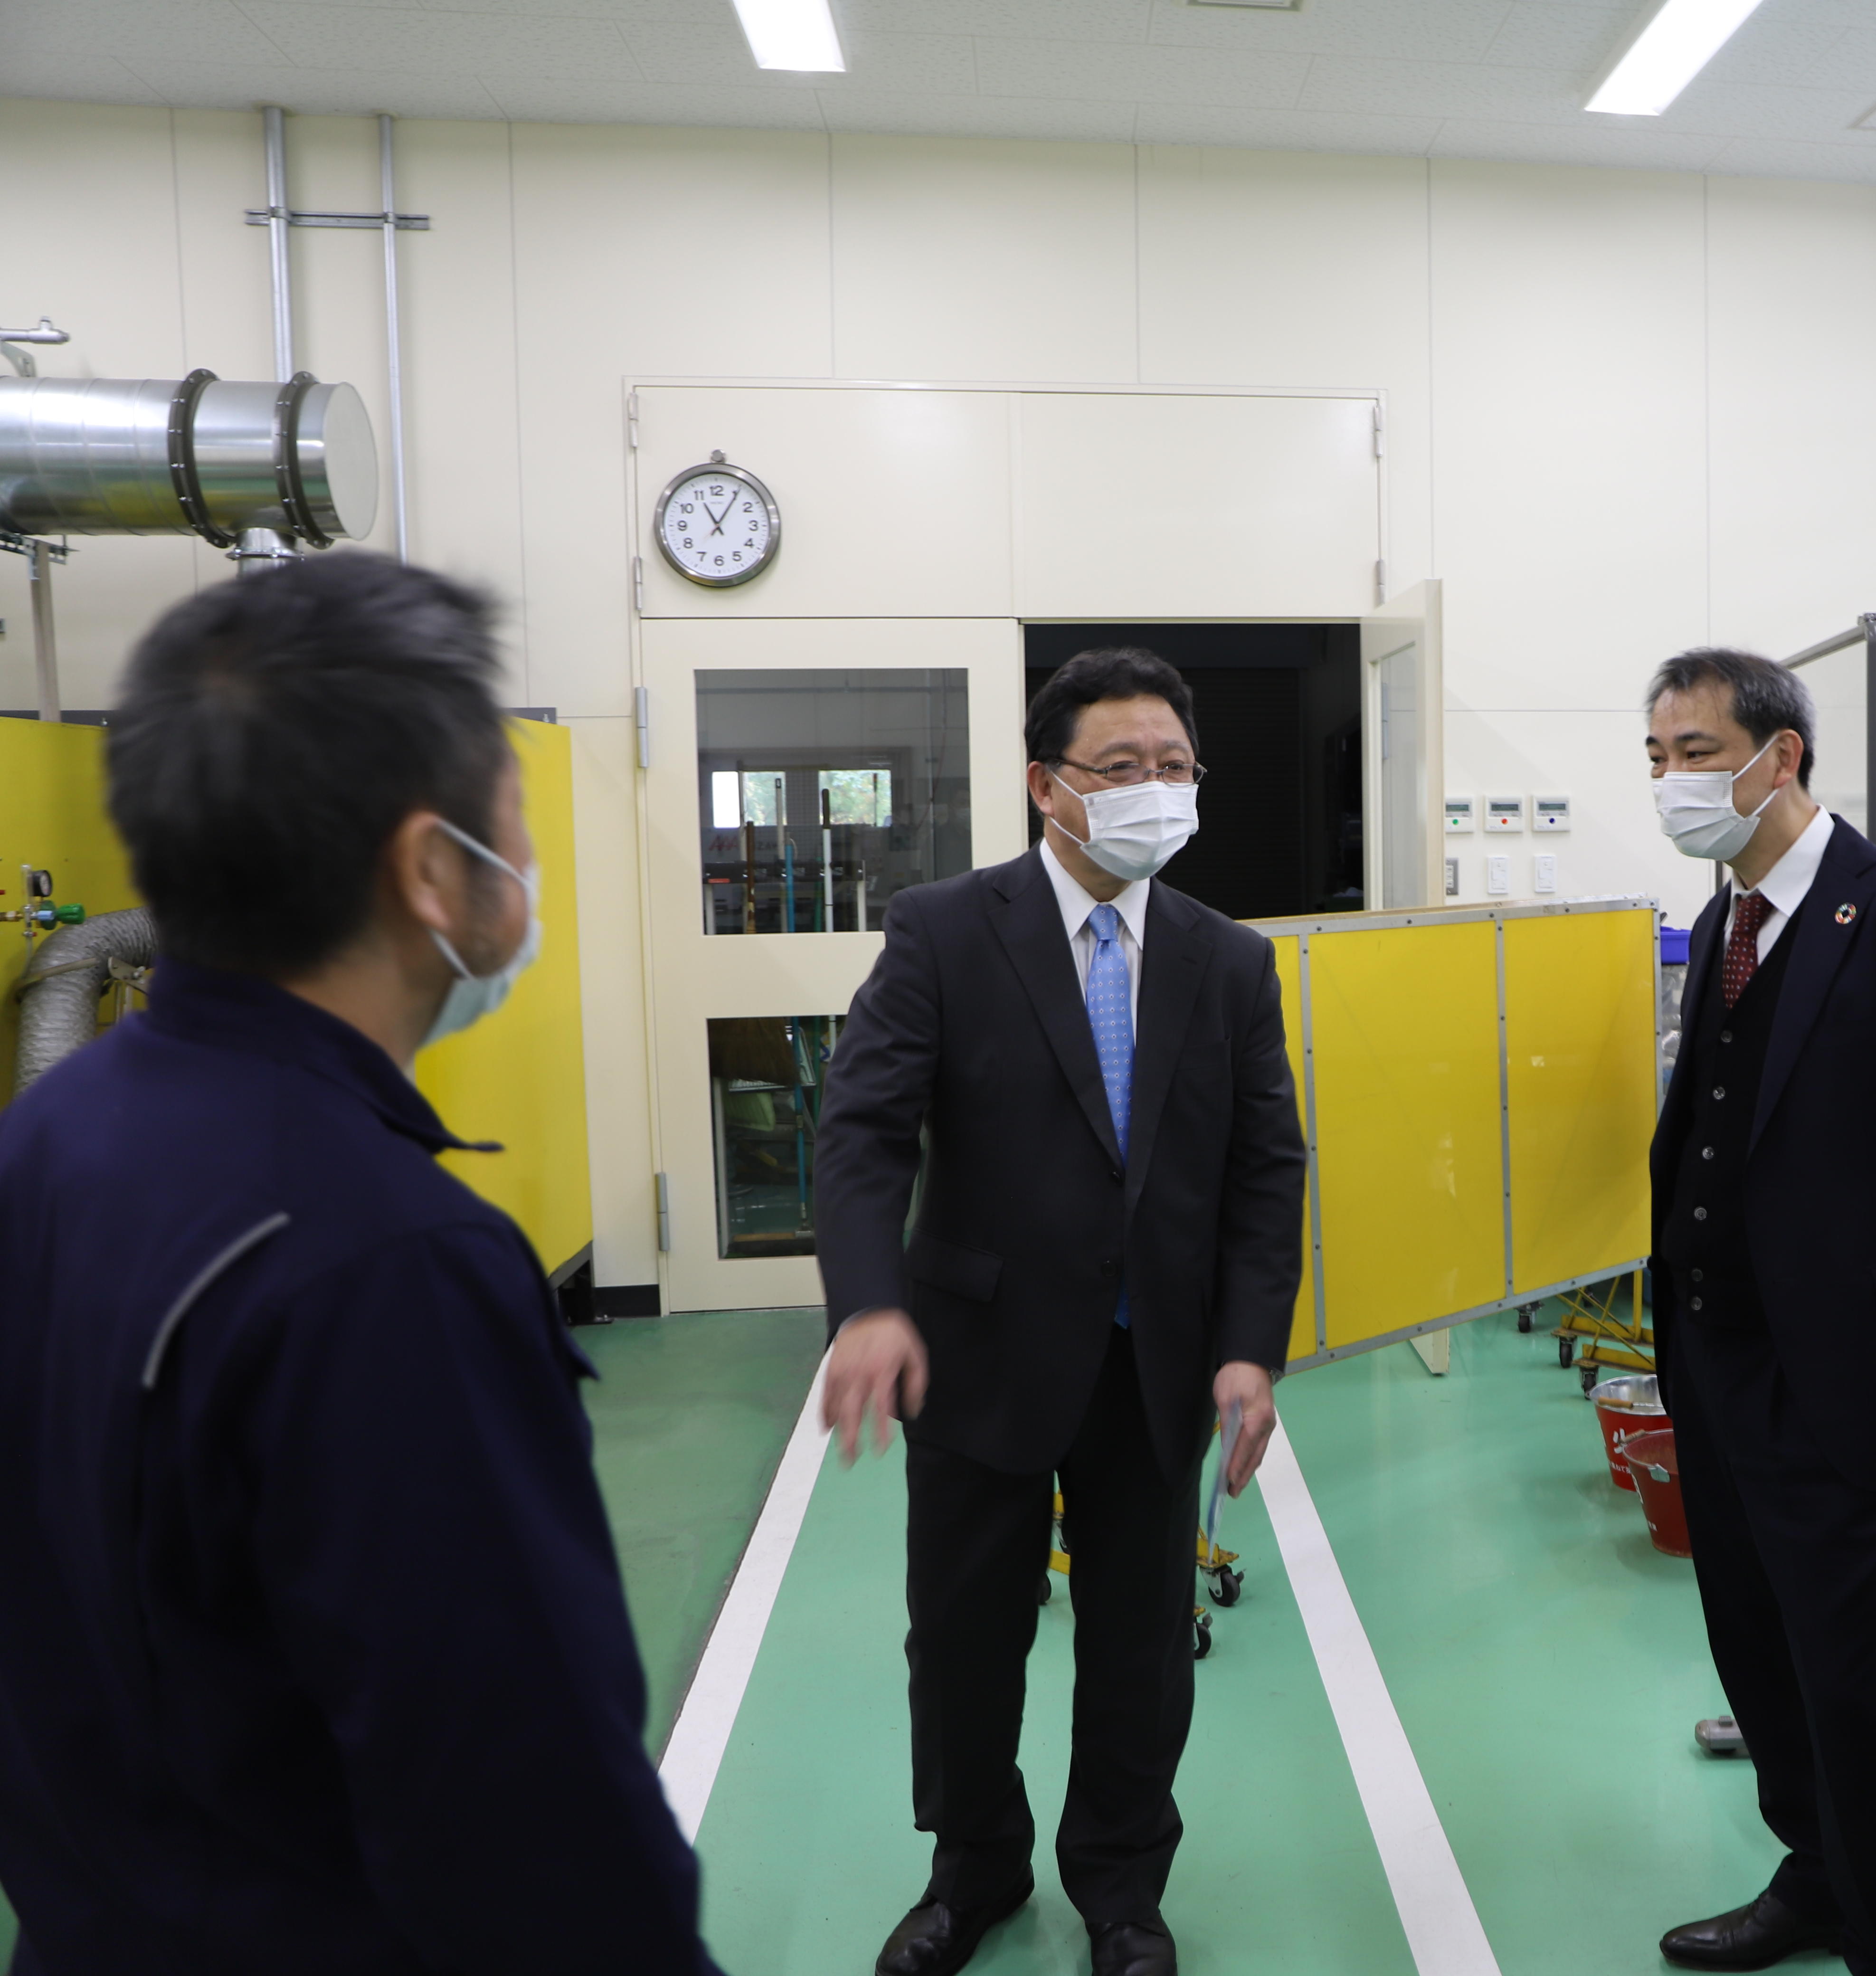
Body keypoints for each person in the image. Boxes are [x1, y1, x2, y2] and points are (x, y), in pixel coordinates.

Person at [0, 557, 720, 1974]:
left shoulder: (53, 1135)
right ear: (430, 864)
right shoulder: (385, 1260)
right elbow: (526, 1824)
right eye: (512, 801)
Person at [812, 647, 1305, 1976]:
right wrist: (867, 1302)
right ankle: (971, 1869)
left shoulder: (1227, 962)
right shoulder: (945, 930)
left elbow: (1268, 1166)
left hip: (1157, 1363)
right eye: (1122, 768)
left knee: (1143, 1649)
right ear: (1048, 786)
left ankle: (1122, 1888)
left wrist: (1253, 1345)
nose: (1156, 791)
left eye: (1176, 768)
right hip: (978, 1355)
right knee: (967, 1640)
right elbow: (862, 1132)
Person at [1641, 649, 1876, 1976]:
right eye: (1656, 757)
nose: (1671, 780)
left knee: (1844, 1670)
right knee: (1755, 1650)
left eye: (1694, 751)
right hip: (1716, 1360)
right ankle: (1814, 1873)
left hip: (1844, 1379)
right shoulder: (1727, 922)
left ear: (1782, 756)